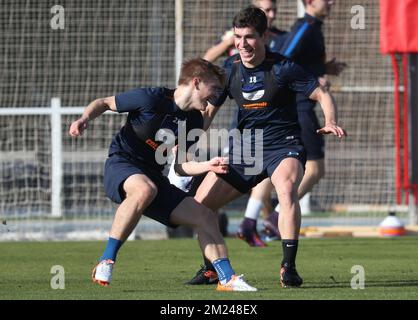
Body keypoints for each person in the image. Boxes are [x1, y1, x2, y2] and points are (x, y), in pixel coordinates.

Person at [187, 7, 346, 287]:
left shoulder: (283, 67)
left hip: (282, 145)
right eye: (238, 37)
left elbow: (321, 94)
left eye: (249, 37)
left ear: (264, 36)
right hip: (246, 151)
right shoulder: (230, 70)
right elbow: (209, 112)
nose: (242, 44)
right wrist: (188, 139)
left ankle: (288, 268)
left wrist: (330, 120)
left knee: (285, 191)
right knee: (200, 206)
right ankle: (211, 268)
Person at [68, 58, 257, 292]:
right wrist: (84, 118)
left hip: (154, 178)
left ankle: (227, 279)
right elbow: (104, 102)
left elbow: (180, 167)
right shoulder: (152, 98)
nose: (217, 95)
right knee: (145, 189)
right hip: (122, 163)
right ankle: (106, 260)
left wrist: (209, 165)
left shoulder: (195, 120)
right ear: (196, 83)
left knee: (205, 216)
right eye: (214, 88)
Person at [238, 0, 348, 245]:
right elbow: (285, 60)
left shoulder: (312, 26)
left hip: (298, 105)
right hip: (298, 107)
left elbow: (295, 63)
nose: (331, 2)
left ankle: (251, 221)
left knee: (272, 166)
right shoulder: (305, 27)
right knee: (315, 169)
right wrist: (314, 79)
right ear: (309, 2)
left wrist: (322, 69)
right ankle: (275, 217)